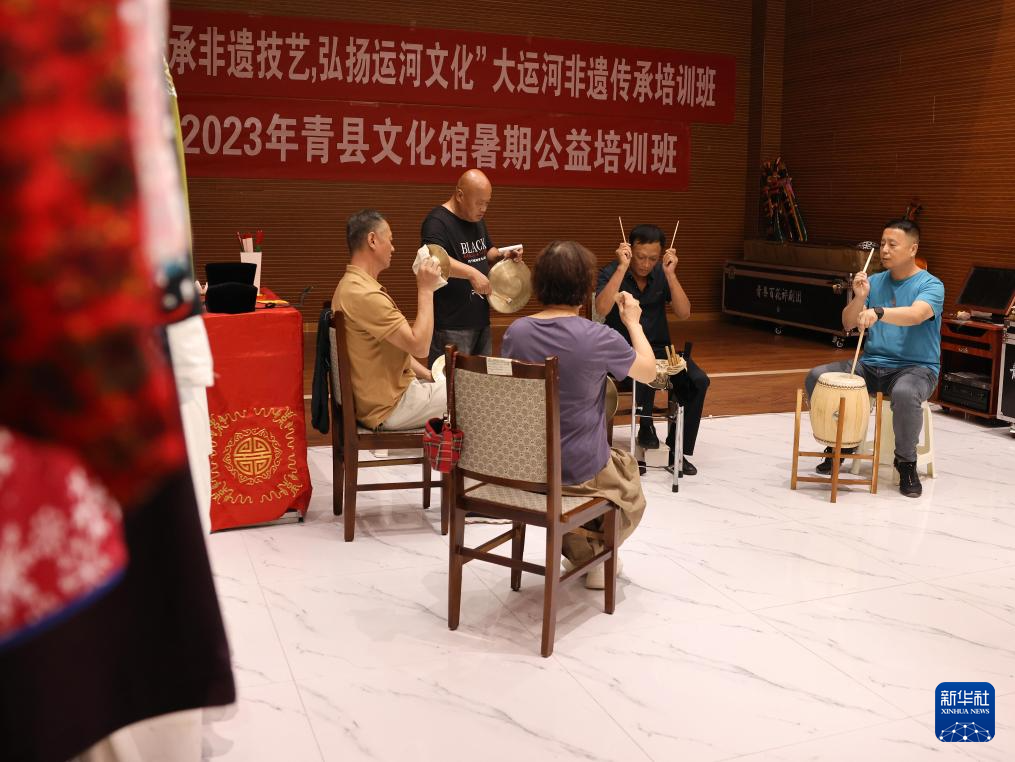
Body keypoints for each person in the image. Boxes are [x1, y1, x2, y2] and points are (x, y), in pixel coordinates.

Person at [502, 241, 657, 589]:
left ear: (538, 284)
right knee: (625, 479)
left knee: (591, 473)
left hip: (523, 467)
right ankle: (597, 555)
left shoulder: (516, 332)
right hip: (576, 470)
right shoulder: (598, 337)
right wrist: (633, 322)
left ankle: (587, 554)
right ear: (587, 287)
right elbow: (648, 372)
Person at [805, 219, 943, 497]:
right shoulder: (875, 281)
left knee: (905, 393)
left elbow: (916, 315)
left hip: (916, 368)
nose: (885, 250)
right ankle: (842, 443)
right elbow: (847, 323)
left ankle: (906, 462)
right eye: (882, 244)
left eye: (893, 244)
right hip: (870, 365)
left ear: (912, 248)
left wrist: (878, 312)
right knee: (817, 377)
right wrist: (859, 298)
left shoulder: (931, 284)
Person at [595, 223, 711, 475]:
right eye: (640, 257)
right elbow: (601, 309)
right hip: (622, 351)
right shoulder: (612, 271)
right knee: (645, 371)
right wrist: (622, 268)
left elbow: (684, 312)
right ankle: (645, 425)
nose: (646, 264)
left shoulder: (661, 273)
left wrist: (671, 275)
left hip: (660, 350)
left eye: (652, 259)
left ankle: (677, 448)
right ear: (629, 250)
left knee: (698, 380)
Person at [332, 209, 446, 431]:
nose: (393, 248)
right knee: (471, 392)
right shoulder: (365, 295)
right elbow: (420, 347)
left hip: (386, 399)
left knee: (454, 386)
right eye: (390, 240)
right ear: (372, 240)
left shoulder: (352, 286)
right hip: (391, 407)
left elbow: (396, 347)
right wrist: (426, 290)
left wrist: (429, 375)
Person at [420, 168, 522, 365]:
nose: (483, 209)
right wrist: (472, 273)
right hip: (451, 324)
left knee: (480, 380)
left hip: (481, 318)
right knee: (449, 382)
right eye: (479, 203)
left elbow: (486, 251)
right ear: (460, 195)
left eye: (487, 203)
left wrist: (504, 255)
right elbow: (434, 259)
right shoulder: (437, 221)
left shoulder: (475, 219)